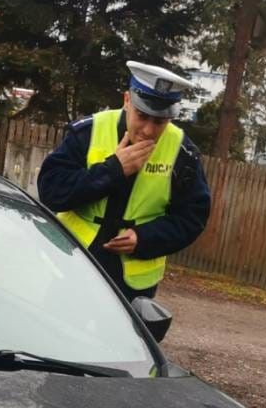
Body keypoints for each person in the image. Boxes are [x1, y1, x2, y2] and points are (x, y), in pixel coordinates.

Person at [37, 61, 211, 299]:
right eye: (142, 116)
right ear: (127, 100)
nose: (149, 130)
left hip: (132, 287)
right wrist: (112, 170)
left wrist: (145, 238)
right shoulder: (89, 131)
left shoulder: (183, 152)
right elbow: (50, 191)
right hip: (73, 265)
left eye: (159, 122)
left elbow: (192, 218)